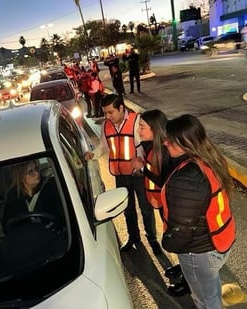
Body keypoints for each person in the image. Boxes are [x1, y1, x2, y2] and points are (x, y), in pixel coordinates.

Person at [161, 114, 236, 308]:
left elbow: (182, 228)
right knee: (211, 291)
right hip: (219, 241)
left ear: (186, 143)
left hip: (199, 251)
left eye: (170, 139)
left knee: (204, 300)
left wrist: (168, 242)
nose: (165, 143)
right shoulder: (210, 159)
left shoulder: (188, 178)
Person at [84, 94, 160, 254]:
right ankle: (134, 237)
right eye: (105, 113)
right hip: (120, 174)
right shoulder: (106, 126)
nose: (107, 116)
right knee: (127, 208)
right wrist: (94, 154)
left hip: (138, 174)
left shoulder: (136, 123)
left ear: (121, 108)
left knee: (146, 208)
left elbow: (149, 145)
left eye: (110, 112)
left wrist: (144, 166)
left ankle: (152, 239)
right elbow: (104, 146)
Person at [131, 109, 190, 296]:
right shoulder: (150, 147)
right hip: (161, 202)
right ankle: (184, 269)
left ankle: (189, 281)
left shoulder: (164, 151)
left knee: (182, 242)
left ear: (155, 129)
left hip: (171, 205)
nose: (138, 130)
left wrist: (143, 169)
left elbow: (167, 181)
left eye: (142, 127)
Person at [1, 160, 63, 233]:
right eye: (31, 172)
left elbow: (61, 215)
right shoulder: (13, 197)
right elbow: (8, 225)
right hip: (26, 238)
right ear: (21, 177)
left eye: (36, 169)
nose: (36, 173)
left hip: (51, 234)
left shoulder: (51, 186)